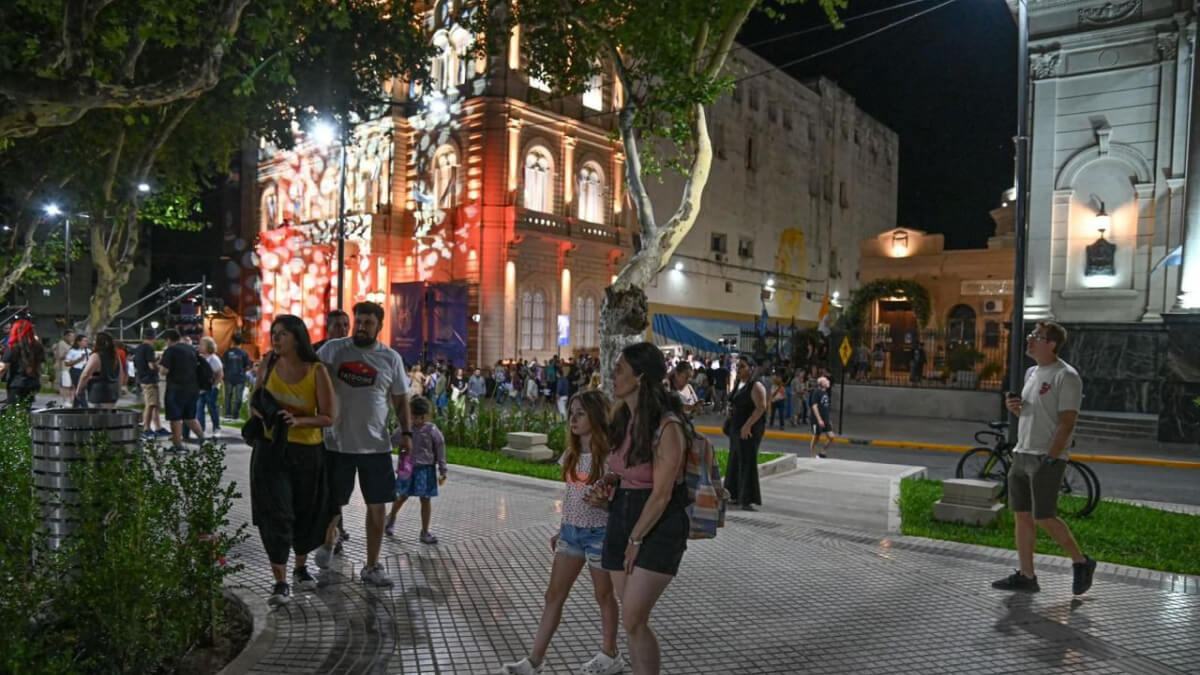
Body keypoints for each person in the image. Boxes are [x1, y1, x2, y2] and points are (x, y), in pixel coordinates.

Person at [584, 342, 690, 675]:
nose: (612, 375)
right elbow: (622, 469)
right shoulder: (623, 418)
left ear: (640, 377)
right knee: (633, 622)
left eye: (620, 369)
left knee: (633, 617)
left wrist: (636, 539)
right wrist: (608, 486)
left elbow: (661, 494)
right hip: (622, 516)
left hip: (657, 524)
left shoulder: (668, 426)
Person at [502, 390, 624, 675]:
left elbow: (621, 502)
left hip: (600, 534)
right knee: (553, 595)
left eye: (580, 413)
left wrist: (606, 503)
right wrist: (562, 528)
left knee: (604, 595)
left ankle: (610, 654)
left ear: (596, 416)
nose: (573, 419)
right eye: (571, 412)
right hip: (571, 534)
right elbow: (570, 494)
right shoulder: (571, 454)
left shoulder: (611, 458)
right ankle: (534, 660)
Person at [992, 321, 1096, 596]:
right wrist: (1014, 408)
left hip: (1046, 457)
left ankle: (1081, 561)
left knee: (1044, 516)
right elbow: (1033, 414)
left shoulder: (1066, 376)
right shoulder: (1031, 372)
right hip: (1022, 453)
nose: (1029, 340)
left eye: (1036, 337)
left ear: (1051, 344)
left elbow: (1067, 421)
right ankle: (1027, 575)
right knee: (1022, 516)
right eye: (1030, 335)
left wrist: (1051, 458)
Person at [314, 301, 411, 587]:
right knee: (332, 503)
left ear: (379, 327)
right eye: (359, 321)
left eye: (368, 323)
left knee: (377, 506)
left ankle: (371, 565)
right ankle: (329, 540)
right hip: (336, 444)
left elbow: (400, 399)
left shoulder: (390, 358)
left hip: (376, 447)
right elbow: (310, 374)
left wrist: (407, 433)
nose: (361, 327)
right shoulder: (333, 350)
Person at [250, 314, 338, 606]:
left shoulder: (316, 370)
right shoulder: (269, 364)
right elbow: (255, 401)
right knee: (276, 514)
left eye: (283, 333)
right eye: (274, 333)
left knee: (305, 511)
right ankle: (280, 581)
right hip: (271, 451)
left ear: (298, 337)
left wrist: (297, 420)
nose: (276, 338)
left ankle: (301, 566)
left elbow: (329, 417)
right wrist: (264, 413)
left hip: (307, 453)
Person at [385, 396, 446, 542]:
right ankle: (390, 520)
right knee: (402, 496)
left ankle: (425, 532)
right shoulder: (404, 429)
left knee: (425, 499)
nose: (417, 420)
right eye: (413, 416)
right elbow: (391, 443)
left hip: (425, 470)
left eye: (420, 417)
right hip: (407, 468)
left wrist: (442, 469)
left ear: (426, 415)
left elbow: (440, 447)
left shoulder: (432, 429)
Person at [725, 355, 766, 510]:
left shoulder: (756, 386)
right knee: (735, 459)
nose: (739, 369)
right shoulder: (739, 384)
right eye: (738, 367)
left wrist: (747, 425)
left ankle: (747, 498)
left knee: (747, 461)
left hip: (749, 429)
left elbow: (761, 407)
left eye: (742, 366)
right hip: (737, 428)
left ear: (751, 368)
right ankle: (734, 494)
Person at [157, 329, 205, 453]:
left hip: (176, 388)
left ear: (168, 340)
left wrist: (159, 365)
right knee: (190, 417)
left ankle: (178, 445)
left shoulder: (170, 350)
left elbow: (164, 371)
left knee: (175, 418)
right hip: (192, 388)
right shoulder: (190, 349)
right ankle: (203, 440)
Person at [133, 330, 169, 439]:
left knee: (155, 404)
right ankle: (146, 429)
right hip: (149, 380)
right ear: (153, 338)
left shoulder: (139, 348)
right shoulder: (149, 348)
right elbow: (151, 366)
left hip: (142, 378)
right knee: (151, 404)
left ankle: (158, 427)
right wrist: (159, 364)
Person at [75, 331, 126, 409]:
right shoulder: (115, 356)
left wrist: (79, 389)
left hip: (98, 392)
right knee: (108, 417)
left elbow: (86, 374)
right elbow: (120, 374)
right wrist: (119, 389)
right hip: (113, 391)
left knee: (96, 418)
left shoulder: (96, 356)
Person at [2, 319, 45, 407]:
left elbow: (3, 367)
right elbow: (41, 365)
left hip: (16, 383)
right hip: (33, 382)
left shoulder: (12, 347)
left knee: (13, 410)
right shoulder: (38, 346)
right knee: (26, 408)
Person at [195, 337, 223, 437]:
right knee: (199, 409)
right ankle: (201, 430)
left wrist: (214, 386)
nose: (199, 346)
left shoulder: (214, 359)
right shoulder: (198, 357)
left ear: (208, 346)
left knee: (212, 408)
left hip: (211, 389)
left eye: (202, 344)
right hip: (200, 389)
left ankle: (216, 427)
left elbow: (219, 374)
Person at [223, 334, 253, 420]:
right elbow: (247, 366)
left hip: (228, 377)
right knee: (238, 398)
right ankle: (235, 415)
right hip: (240, 378)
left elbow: (223, 365)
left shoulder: (227, 352)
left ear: (232, 341)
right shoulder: (244, 353)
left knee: (228, 396)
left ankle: (227, 414)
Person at [808, 376, 835, 458]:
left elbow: (826, 408)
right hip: (816, 420)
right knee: (816, 437)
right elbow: (814, 406)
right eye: (826, 380)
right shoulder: (817, 392)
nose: (828, 381)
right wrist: (819, 419)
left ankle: (823, 451)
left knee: (831, 436)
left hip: (825, 419)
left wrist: (828, 419)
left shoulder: (826, 393)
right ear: (822, 384)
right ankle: (812, 455)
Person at [64, 334, 91, 408]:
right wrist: (79, 359)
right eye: (84, 341)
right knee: (80, 388)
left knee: (80, 389)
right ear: (79, 342)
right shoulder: (72, 351)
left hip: (85, 371)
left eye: (86, 341)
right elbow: (67, 363)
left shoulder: (88, 351)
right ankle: (85, 407)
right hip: (76, 371)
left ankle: (75, 407)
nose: (86, 342)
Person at [54, 329, 75, 406]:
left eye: (73, 336)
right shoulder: (61, 343)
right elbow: (60, 356)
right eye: (71, 336)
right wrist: (69, 353)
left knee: (73, 385)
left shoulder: (72, 344)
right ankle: (66, 400)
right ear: (66, 336)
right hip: (65, 368)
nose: (73, 338)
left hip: (73, 367)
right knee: (66, 385)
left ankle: (72, 400)